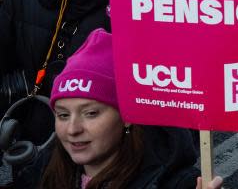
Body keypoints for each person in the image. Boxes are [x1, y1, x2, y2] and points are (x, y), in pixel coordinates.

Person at [17, 29, 222, 189]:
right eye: (63, 115)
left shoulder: (176, 182)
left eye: (90, 113)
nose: (72, 129)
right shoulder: (41, 173)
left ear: (127, 116)